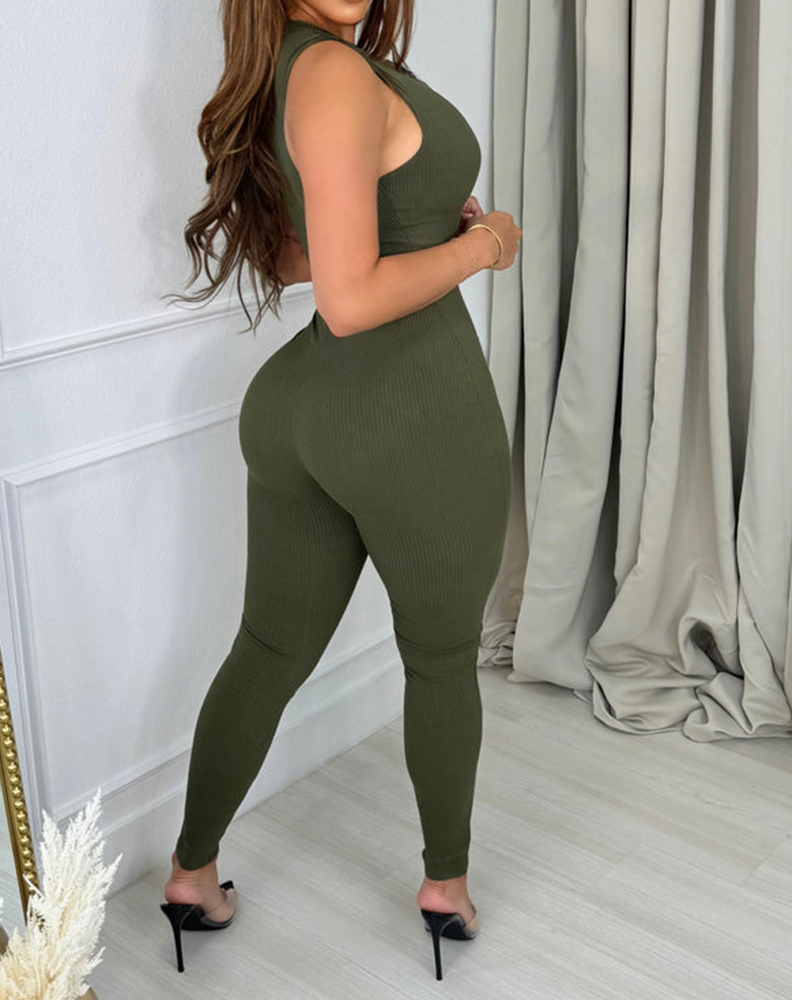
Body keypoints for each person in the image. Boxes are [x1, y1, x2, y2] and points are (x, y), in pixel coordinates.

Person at [159, 0, 522, 981]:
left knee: (268, 646)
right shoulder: (332, 73)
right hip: (410, 415)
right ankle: (444, 889)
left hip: (299, 411)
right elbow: (352, 301)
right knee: (439, 659)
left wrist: (418, 230)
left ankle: (192, 874)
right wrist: (483, 247)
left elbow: (297, 252)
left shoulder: (286, 67)